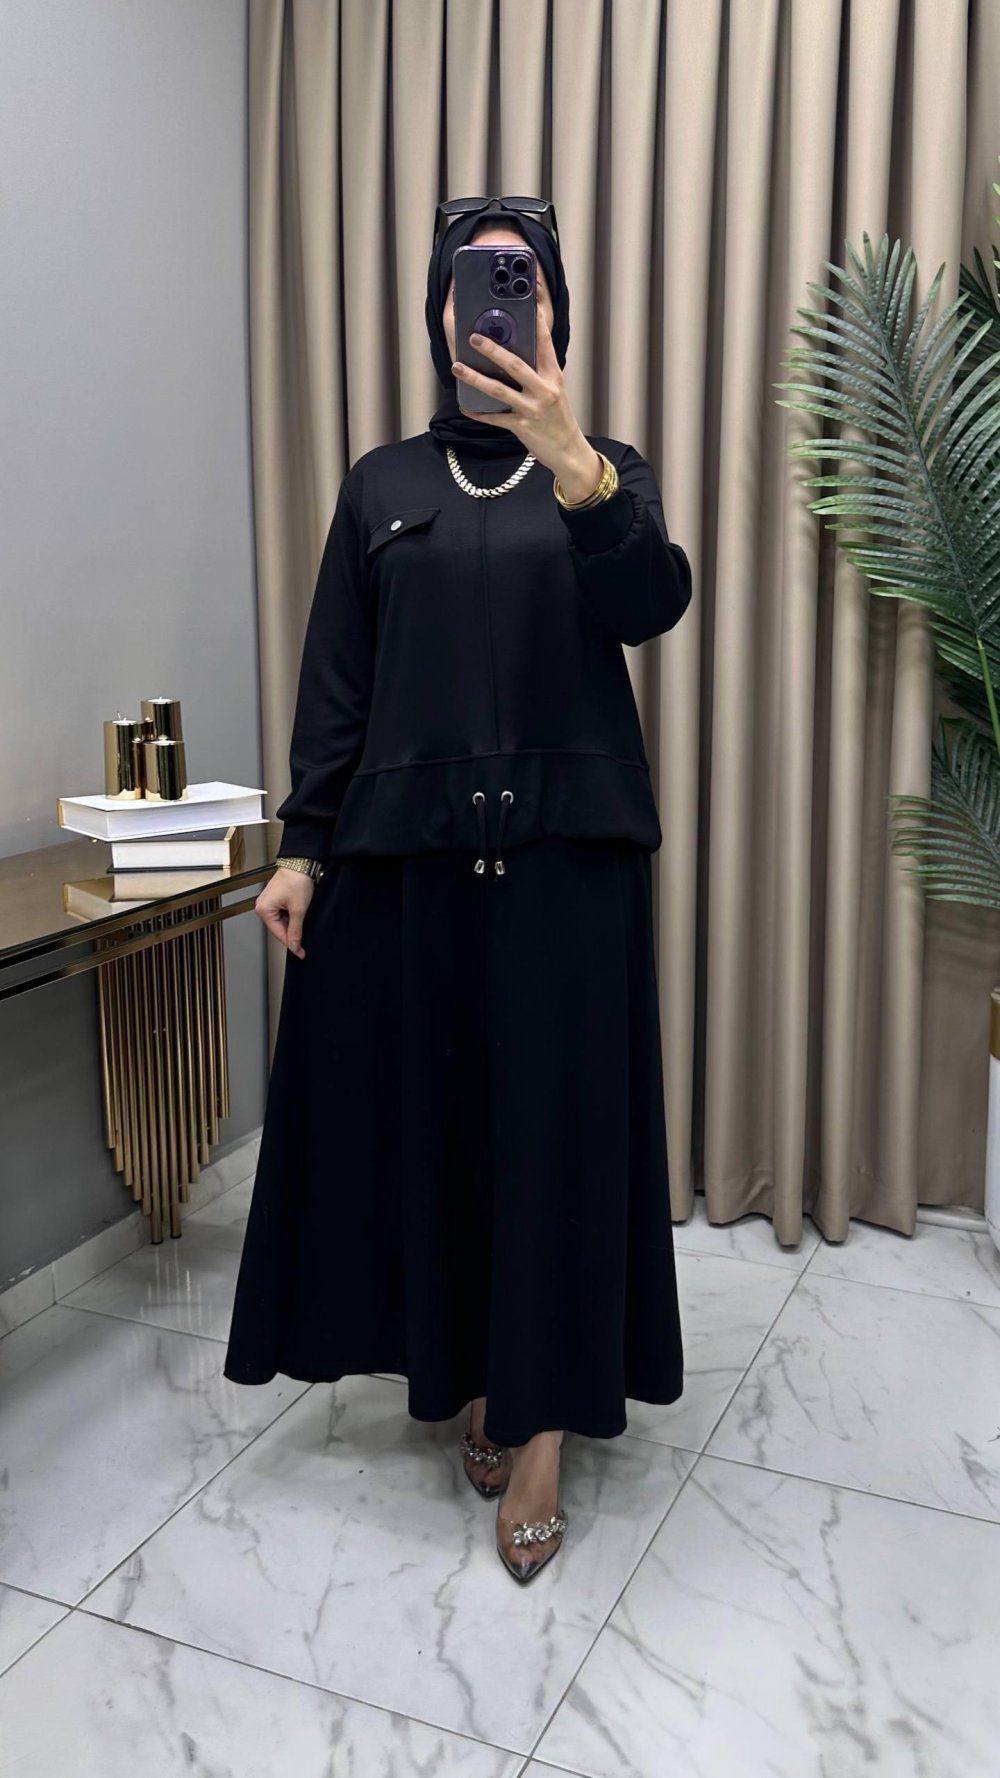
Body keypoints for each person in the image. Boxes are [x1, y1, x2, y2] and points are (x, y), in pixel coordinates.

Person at [223, 195, 691, 1583]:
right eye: (474, 283)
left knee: (554, 1145)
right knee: (449, 1139)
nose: (496, 300)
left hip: (566, 871)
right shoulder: (380, 485)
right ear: (440, 316)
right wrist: (302, 846)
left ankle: (538, 1426)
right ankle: (474, 1371)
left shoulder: (607, 470)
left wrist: (579, 469)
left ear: (553, 314)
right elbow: (338, 679)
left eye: (521, 280)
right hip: (413, 871)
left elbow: (650, 605)